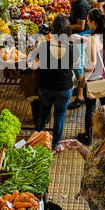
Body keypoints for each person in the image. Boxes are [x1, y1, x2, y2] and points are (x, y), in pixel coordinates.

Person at [75, 9, 105, 145]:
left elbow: (92, 64)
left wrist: (83, 80)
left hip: (94, 78)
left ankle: (88, 137)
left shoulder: (93, 40)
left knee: (90, 108)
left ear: (93, 22)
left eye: (88, 21)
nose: (87, 24)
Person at [36, 17, 79, 153]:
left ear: (53, 30)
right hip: (64, 88)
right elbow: (76, 66)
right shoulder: (73, 48)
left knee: (43, 114)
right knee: (60, 116)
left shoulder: (45, 46)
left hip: (45, 86)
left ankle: (38, 142)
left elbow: (35, 65)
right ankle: (55, 145)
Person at [58, 0, 91, 111]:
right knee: (76, 66)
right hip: (75, 38)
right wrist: (65, 16)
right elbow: (75, 19)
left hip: (80, 39)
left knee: (79, 68)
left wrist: (63, 27)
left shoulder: (81, 5)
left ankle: (80, 97)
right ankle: (78, 90)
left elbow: (80, 25)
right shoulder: (76, 2)